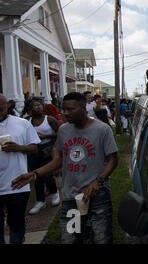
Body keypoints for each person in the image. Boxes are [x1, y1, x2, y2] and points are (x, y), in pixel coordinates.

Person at [12, 92, 118, 244]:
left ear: (83, 108)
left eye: (70, 109)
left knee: (101, 238)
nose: (65, 113)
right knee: (70, 238)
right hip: (71, 197)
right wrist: (34, 174)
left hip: (97, 197)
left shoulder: (102, 129)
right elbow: (59, 159)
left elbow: (113, 160)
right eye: (64, 109)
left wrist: (98, 181)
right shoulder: (64, 130)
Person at [0, 94, 40, 244]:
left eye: (1, 107)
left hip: (16, 184)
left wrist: (18, 147)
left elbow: (34, 147)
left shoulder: (22, 123)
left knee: (16, 223)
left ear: (7, 106)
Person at [27, 98, 62, 215]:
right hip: (33, 151)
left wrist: (45, 136)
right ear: (30, 109)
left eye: (40, 105)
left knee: (47, 174)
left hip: (47, 149)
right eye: (35, 106)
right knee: (35, 175)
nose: (38, 107)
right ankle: (40, 201)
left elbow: (60, 134)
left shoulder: (50, 119)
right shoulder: (27, 121)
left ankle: (54, 193)